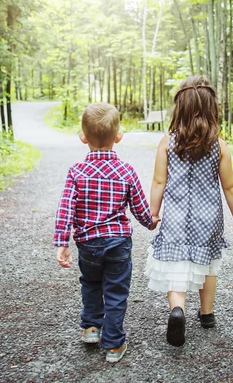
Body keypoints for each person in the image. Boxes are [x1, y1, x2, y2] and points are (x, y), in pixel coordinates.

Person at [144, 75, 233, 347]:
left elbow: (158, 181)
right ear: (212, 109)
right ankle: (207, 314)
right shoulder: (219, 146)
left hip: (176, 218)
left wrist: (152, 213)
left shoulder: (168, 142)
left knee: (176, 264)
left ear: (180, 108)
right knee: (208, 264)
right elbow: (230, 187)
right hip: (208, 218)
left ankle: (177, 310)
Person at [54, 102, 159, 363]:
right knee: (116, 292)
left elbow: (66, 207)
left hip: (88, 244)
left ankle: (91, 328)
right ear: (118, 137)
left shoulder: (76, 172)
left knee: (90, 283)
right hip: (118, 244)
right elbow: (139, 207)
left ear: (83, 138)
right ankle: (113, 345)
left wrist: (62, 242)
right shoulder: (126, 171)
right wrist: (151, 221)